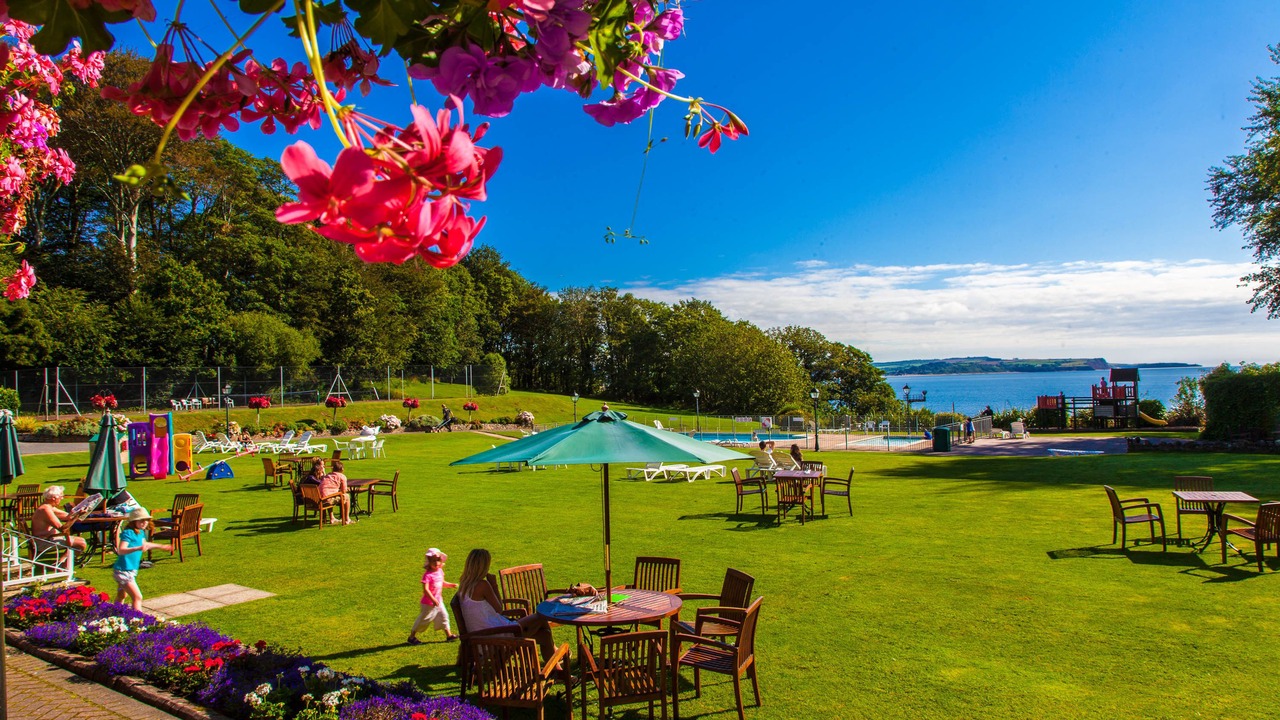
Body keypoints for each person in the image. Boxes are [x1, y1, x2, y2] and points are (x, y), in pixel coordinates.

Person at [456, 549, 557, 663]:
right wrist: (494, 584)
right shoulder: (482, 585)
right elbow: (499, 609)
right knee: (541, 616)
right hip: (497, 635)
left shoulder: (463, 586)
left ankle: (556, 669)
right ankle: (556, 656)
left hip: (482, 636)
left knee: (545, 635)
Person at [112, 508, 172, 611]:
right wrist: (138, 548)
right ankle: (137, 621)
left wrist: (161, 546)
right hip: (123, 571)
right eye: (141, 520)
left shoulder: (140, 533)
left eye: (146, 520)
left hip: (129, 569)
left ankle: (114, 613)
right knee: (137, 597)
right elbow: (121, 550)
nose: (145, 523)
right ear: (134, 521)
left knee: (122, 596)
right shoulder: (128, 533)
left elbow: (145, 544)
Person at [408, 548, 458, 645]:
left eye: (438, 560)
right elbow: (426, 590)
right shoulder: (427, 575)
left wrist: (450, 585)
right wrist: (433, 599)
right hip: (428, 604)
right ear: (429, 562)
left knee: (444, 616)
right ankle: (412, 637)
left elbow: (441, 583)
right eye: (433, 561)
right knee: (424, 619)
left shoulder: (439, 571)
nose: (436, 563)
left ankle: (449, 635)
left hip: (438, 601)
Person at [31, 486, 88, 571]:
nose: (62, 498)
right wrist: (77, 516)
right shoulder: (45, 510)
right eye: (61, 496)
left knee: (81, 541)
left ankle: (61, 564)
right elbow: (63, 529)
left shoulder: (48, 507)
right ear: (54, 498)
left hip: (49, 538)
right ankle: (63, 565)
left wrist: (75, 513)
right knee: (81, 543)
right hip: (44, 542)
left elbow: (67, 516)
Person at [320, 459, 353, 525]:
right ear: (342, 469)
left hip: (320, 499)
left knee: (328, 495)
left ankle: (332, 518)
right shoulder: (342, 476)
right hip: (328, 500)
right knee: (347, 496)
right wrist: (344, 490)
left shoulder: (327, 475)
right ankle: (347, 519)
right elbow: (344, 491)